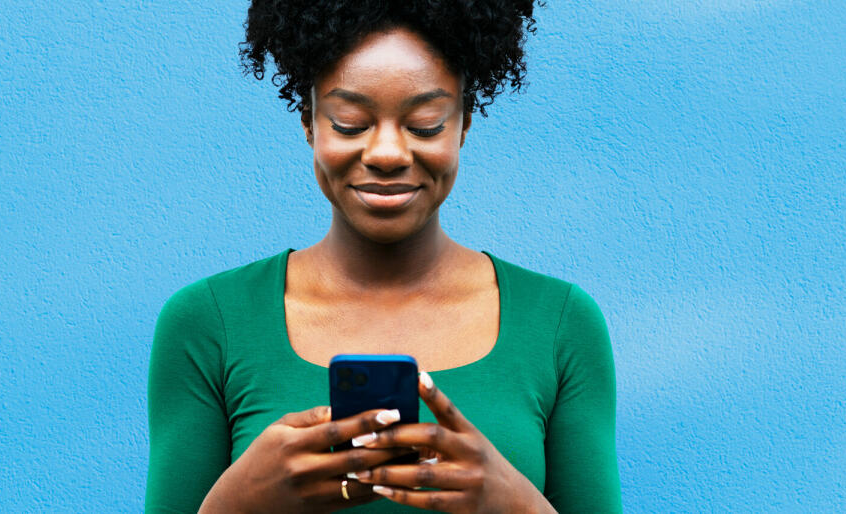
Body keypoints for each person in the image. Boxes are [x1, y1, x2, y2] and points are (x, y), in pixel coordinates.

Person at [145, 1, 620, 512]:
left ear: (463, 124)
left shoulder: (561, 323)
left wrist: (518, 504)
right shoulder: (207, 323)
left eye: (426, 124)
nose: (388, 153)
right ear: (309, 122)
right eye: (350, 123)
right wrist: (235, 504)